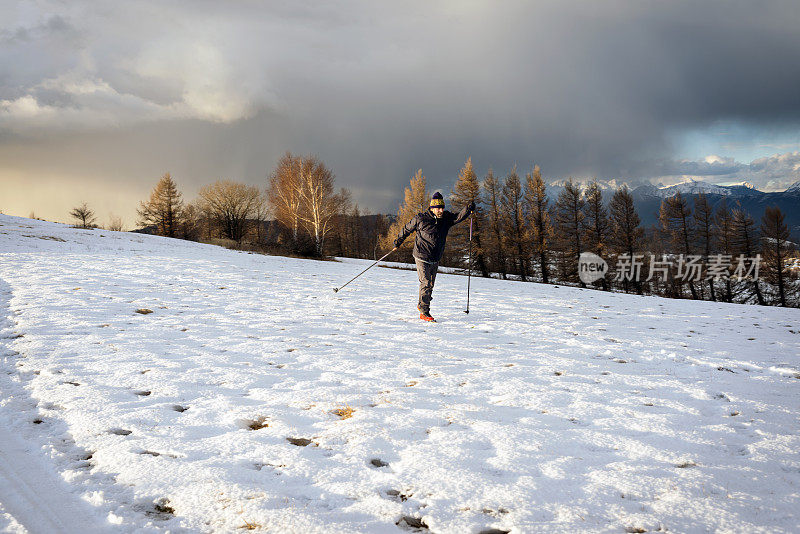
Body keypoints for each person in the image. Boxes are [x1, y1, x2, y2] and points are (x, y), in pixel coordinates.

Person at [394, 192, 475, 322]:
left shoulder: (446, 219)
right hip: (421, 255)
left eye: (442, 207)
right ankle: (424, 311)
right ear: (432, 208)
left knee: (430, 284)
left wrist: (468, 209)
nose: (441, 210)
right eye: (438, 208)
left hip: (435, 257)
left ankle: (422, 304)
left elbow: (458, 217)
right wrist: (398, 241)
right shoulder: (421, 218)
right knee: (426, 283)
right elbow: (406, 229)